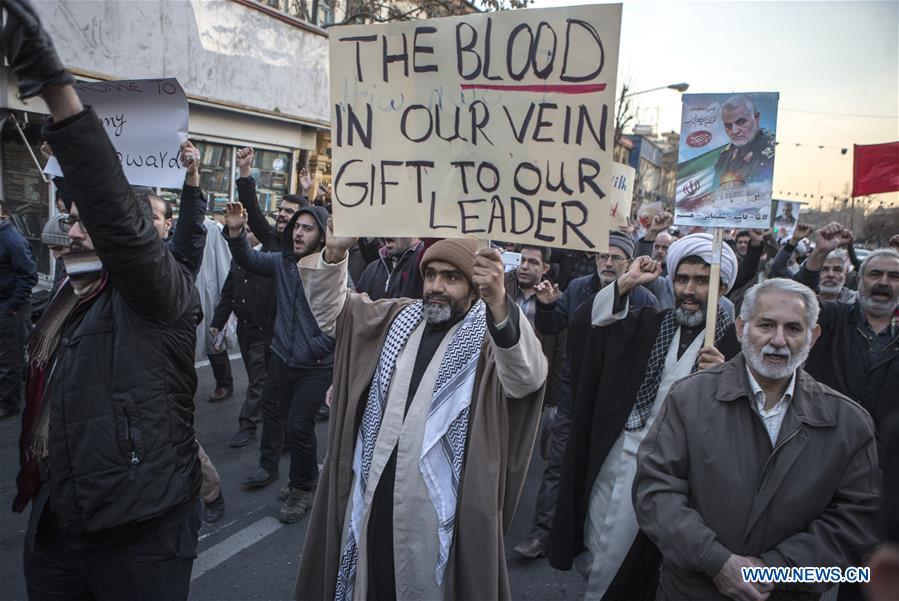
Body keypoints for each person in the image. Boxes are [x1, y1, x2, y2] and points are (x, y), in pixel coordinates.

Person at [5, 4, 202, 597]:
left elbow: (117, 219)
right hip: (60, 522)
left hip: (138, 532)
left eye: (86, 221)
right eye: (71, 218)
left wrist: (58, 95)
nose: (73, 228)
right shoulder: (67, 296)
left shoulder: (158, 293)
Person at [293, 228, 547, 601]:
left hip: (436, 509)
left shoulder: (490, 339)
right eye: (431, 275)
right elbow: (336, 315)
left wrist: (499, 302)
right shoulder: (397, 317)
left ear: (475, 288)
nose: (436, 287)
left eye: (452, 278)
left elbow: (527, 377)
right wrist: (332, 256)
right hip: (375, 493)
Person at [633, 278, 880, 601]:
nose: (779, 340)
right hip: (691, 591)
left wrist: (771, 569)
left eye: (793, 329)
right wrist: (717, 562)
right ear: (741, 328)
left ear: (813, 336)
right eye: (766, 325)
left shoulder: (849, 423)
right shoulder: (690, 398)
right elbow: (656, 491)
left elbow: (855, 521)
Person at [548, 233, 742, 601]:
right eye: (682, 279)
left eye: (703, 281)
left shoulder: (732, 347)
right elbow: (586, 325)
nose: (689, 290)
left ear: (724, 287)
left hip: (676, 475)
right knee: (596, 545)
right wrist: (628, 281)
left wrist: (727, 373)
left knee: (634, 563)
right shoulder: (647, 323)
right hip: (618, 458)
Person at [512, 233, 657, 560]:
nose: (608, 263)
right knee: (558, 467)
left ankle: (588, 535)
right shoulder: (578, 288)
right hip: (572, 396)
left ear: (628, 262)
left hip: (615, 406)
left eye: (616, 258)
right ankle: (542, 534)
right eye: (602, 256)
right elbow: (552, 326)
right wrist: (547, 307)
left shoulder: (645, 298)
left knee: (602, 471)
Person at [222, 200, 334, 524]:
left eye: (307, 228)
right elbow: (248, 258)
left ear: (322, 236)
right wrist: (235, 231)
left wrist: (311, 350)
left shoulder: (332, 272)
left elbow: (341, 322)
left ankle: (302, 488)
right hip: (282, 360)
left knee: (299, 425)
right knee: (286, 422)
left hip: (316, 366)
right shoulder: (283, 262)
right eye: (296, 227)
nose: (298, 233)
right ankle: (305, 476)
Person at [795, 231, 899, 461]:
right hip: (820, 449)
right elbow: (798, 301)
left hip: (885, 462)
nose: (883, 282)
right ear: (860, 281)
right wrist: (820, 252)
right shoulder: (833, 318)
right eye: (875, 274)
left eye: (893, 276)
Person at [210, 227, 275, 448]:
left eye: (249, 230)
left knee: (257, 380)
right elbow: (229, 294)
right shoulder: (238, 260)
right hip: (244, 330)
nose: (246, 234)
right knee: (257, 378)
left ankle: (247, 425)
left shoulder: (268, 258)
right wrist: (216, 324)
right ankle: (268, 413)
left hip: (262, 331)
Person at [0, 198, 38, 420]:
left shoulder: (12, 239)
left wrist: (12, 306)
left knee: (8, 358)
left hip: (10, 307)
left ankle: (9, 404)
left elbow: (29, 276)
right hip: (6, 304)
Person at [713, 95, 776, 190]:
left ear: (756, 118)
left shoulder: (772, 152)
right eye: (728, 126)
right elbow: (714, 189)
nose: (734, 131)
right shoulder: (723, 158)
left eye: (741, 122)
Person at [356, 237, 425, 300]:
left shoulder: (424, 262)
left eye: (394, 225)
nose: (387, 233)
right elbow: (356, 307)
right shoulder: (371, 270)